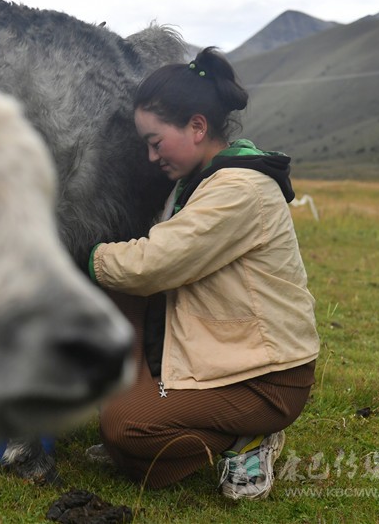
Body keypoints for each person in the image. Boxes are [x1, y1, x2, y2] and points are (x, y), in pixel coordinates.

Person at [86, 46, 319, 500]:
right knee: (128, 449)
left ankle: (249, 438)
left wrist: (86, 255)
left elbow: (155, 263)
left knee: (127, 431)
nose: (151, 156)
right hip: (221, 352)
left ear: (197, 127)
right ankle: (155, 426)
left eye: (156, 142)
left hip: (264, 377)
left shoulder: (239, 189)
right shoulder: (200, 183)